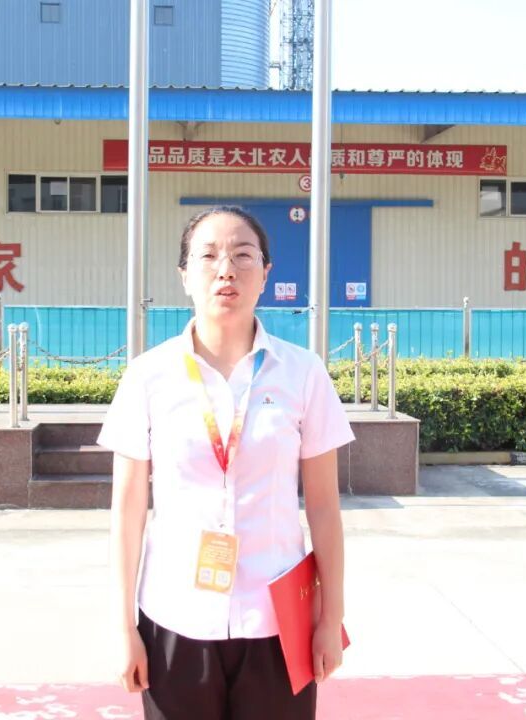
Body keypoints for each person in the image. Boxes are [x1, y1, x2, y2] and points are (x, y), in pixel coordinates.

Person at [98, 206, 355, 720]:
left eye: (243, 255)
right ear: (184, 275)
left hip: (277, 619)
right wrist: (122, 627)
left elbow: (325, 508)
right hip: (174, 616)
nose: (226, 270)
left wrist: (331, 618)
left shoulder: (303, 373)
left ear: (266, 273)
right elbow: (127, 512)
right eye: (209, 256)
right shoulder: (148, 376)